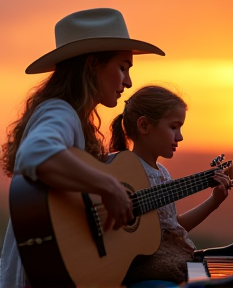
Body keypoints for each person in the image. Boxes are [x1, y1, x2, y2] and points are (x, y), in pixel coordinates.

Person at [0, 8, 164, 288]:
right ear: (91, 65)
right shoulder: (59, 111)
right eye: (122, 67)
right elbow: (34, 153)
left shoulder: (75, 119)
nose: (128, 82)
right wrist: (109, 187)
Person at [108, 85, 233, 287]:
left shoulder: (163, 174)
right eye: (174, 127)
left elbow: (173, 228)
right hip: (141, 271)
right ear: (144, 126)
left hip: (162, 264)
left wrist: (214, 201)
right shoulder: (119, 168)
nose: (180, 136)